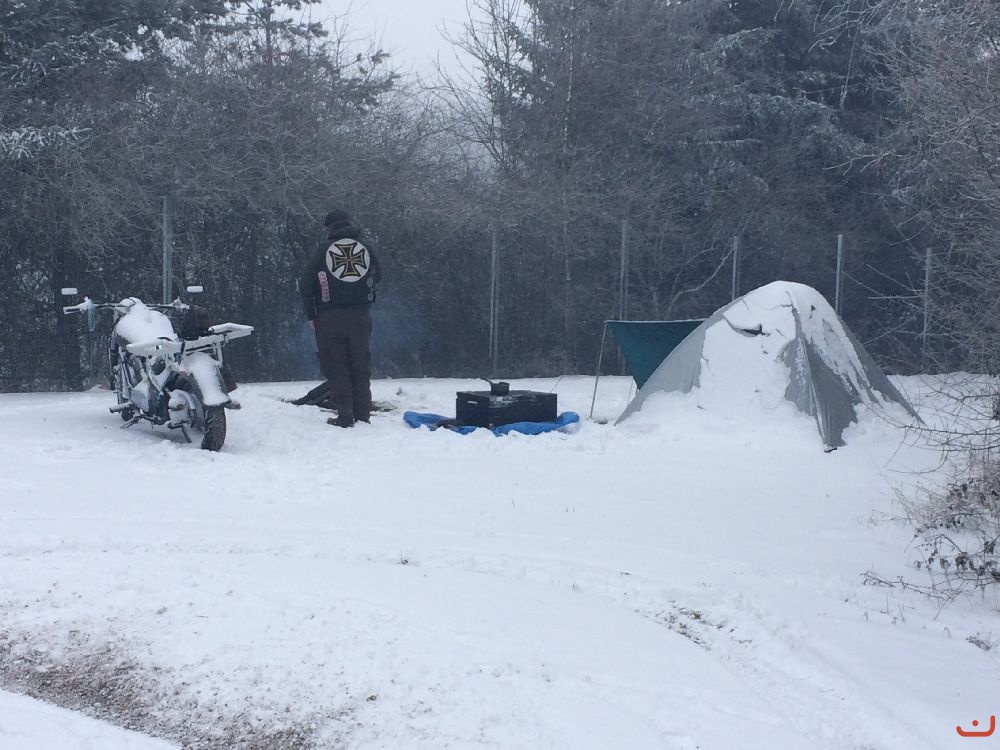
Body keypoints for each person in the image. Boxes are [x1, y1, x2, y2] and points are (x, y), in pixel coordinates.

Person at [299, 208, 381, 427]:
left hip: (330, 317)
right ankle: (363, 413)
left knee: (337, 364)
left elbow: (305, 284)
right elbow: (378, 276)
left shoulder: (323, 250)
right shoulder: (366, 248)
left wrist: (312, 314)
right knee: (360, 363)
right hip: (361, 316)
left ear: (329, 227)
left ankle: (345, 415)